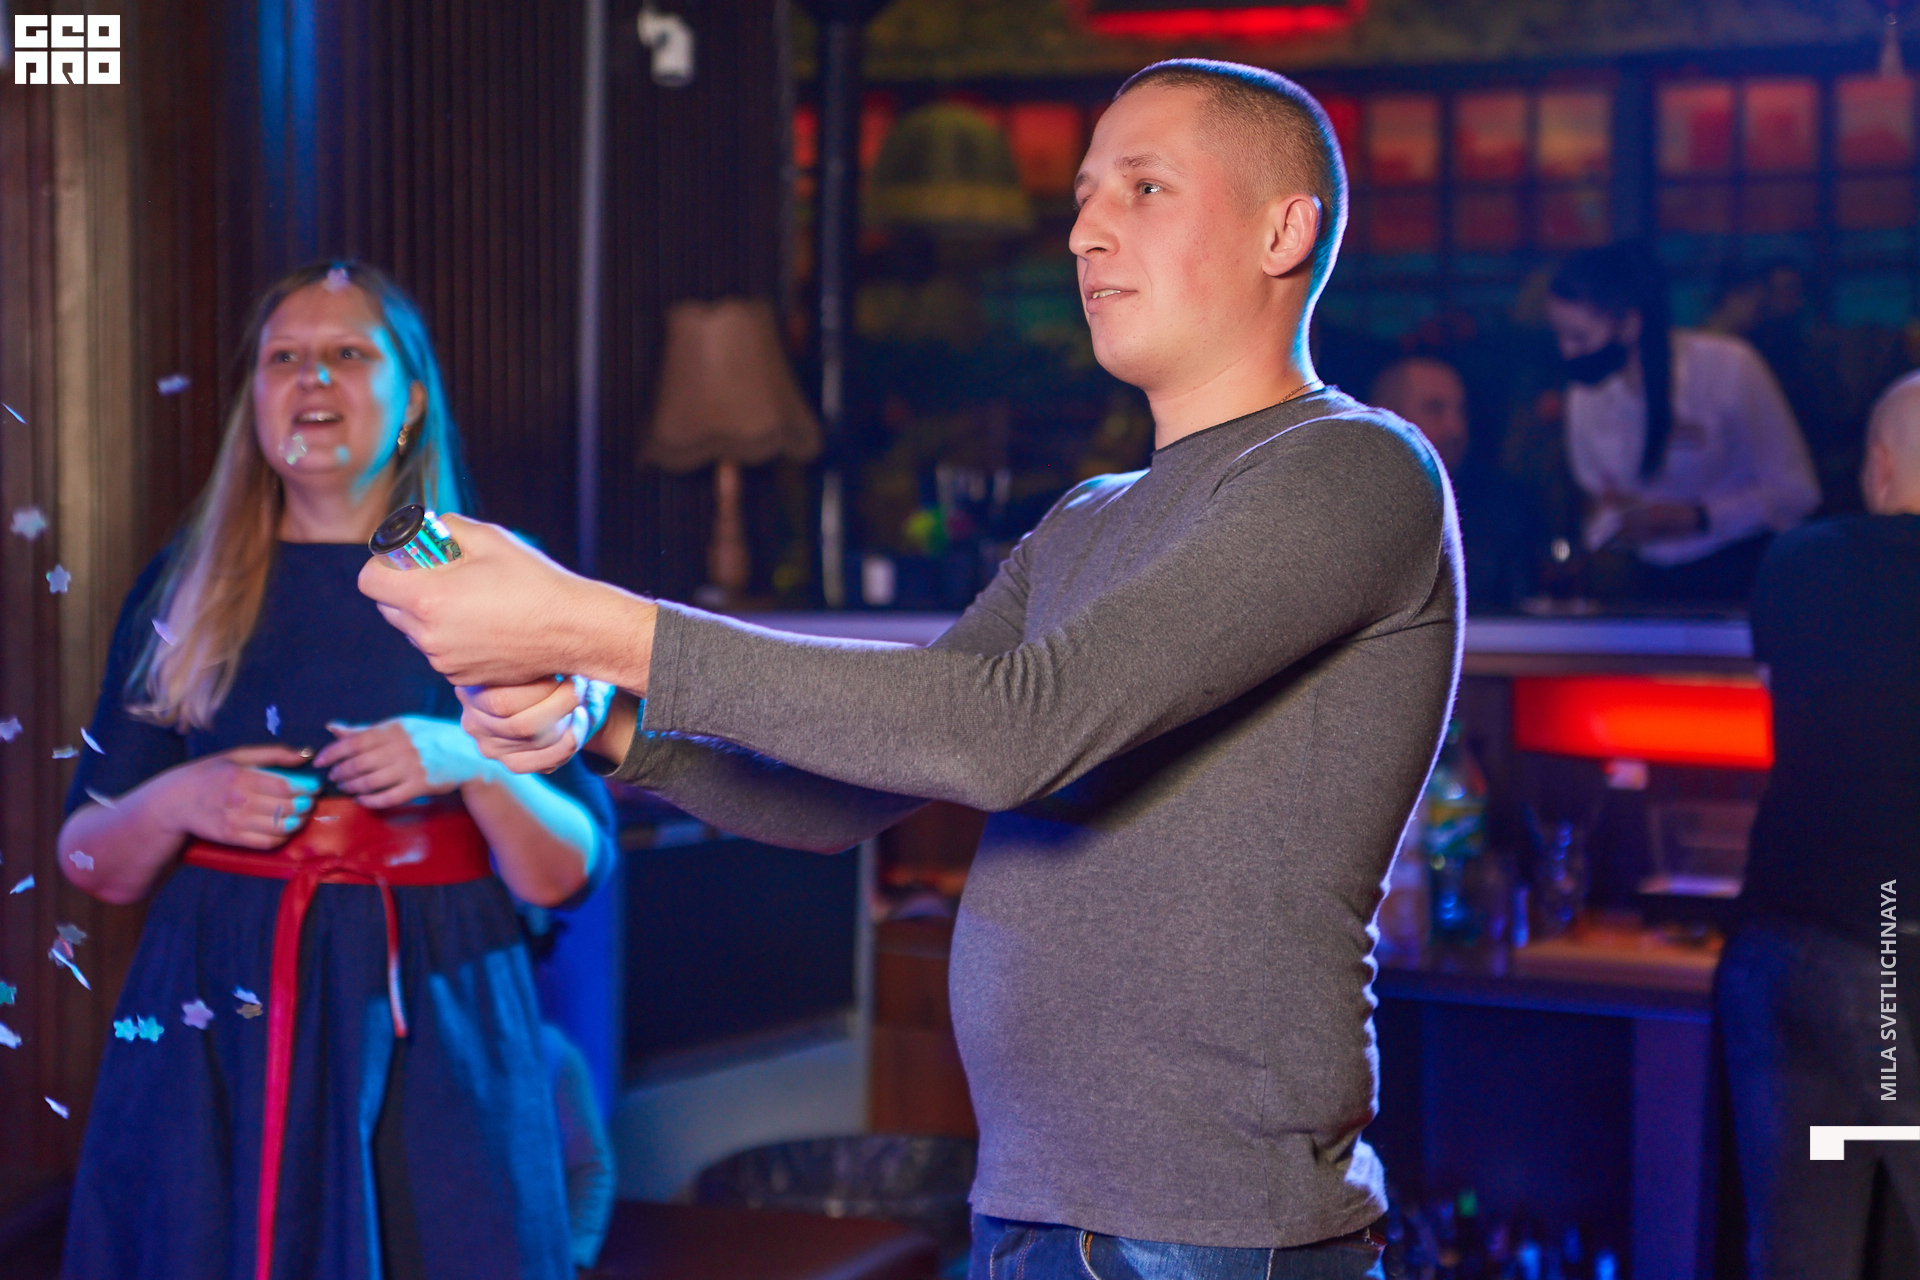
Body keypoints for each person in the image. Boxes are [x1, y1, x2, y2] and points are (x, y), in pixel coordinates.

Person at [367, 58, 1461, 1278]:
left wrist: (594, 624)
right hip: (1029, 1207)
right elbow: (847, 792)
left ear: (1283, 231)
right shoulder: (1087, 519)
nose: (1086, 231)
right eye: (1083, 198)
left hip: (1215, 1235)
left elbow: (1010, 733)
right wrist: (604, 720)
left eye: (1143, 187)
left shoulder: (1356, 469)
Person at [56, 261, 615, 1280]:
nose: (313, 377)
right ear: (255, 401)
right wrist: (182, 797)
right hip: (216, 1025)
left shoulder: (496, 583)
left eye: (348, 352)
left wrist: (468, 761)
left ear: (412, 401)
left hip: (435, 1022)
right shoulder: (182, 589)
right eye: (284, 357)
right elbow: (89, 858)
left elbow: (566, 871)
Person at [1717, 371, 1920, 1277]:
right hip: (1897, 970)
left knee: (1800, 1255)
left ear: (1879, 466)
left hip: (1777, 961)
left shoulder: (1797, 561)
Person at [1545, 241, 1819, 605]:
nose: (1566, 351)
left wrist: (1700, 518)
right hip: (1640, 582)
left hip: (1739, 573)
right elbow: (1598, 497)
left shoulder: (1730, 367)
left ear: (1630, 324)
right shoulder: (1584, 394)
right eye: (1559, 335)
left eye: (1579, 337)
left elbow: (1798, 492)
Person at [1369, 354, 1544, 611]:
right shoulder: (1349, 510)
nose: (1456, 428)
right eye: (1434, 409)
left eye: (1460, 411)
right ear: (1384, 417)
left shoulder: (1503, 511)